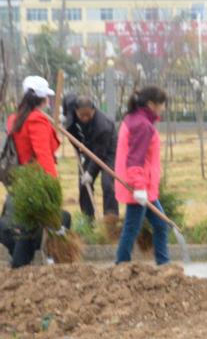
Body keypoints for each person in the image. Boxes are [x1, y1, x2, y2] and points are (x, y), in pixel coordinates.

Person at [1, 76, 68, 268]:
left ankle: (21, 261)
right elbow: (43, 155)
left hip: (21, 179)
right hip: (37, 180)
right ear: (43, 99)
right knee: (34, 225)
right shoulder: (36, 120)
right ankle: (21, 264)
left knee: (23, 222)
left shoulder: (15, 118)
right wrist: (51, 186)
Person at [113, 86, 171, 266]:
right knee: (132, 228)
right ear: (152, 104)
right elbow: (135, 159)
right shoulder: (142, 125)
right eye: (162, 104)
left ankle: (164, 264)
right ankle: (121, 264)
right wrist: (138, 187)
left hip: (144, 187)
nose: (164, 108)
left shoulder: (135, 119)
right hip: (138, 186)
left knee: (160, 224)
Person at [62, 95, 119, 223]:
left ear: (93, 110)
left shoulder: (103, 126)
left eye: (88, 115)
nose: (85, 118)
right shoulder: (71, 106)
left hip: (109, 150)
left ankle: (110, 221)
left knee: (107, 184)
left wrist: (90, 172)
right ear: (76, 111)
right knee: (83, 185)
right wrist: (64, 115)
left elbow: (100, 153)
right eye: (82, 115)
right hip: (89, 146)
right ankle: (88, 220)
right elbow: (67, 98)